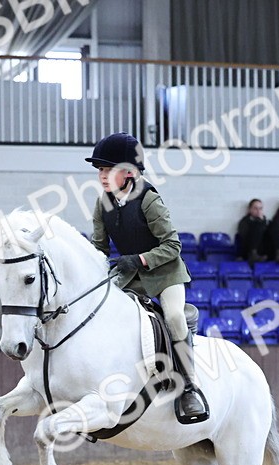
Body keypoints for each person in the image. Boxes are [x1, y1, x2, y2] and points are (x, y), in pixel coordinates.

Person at [86, 132, 208, 422]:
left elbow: (173, 245)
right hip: (131, 275)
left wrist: (138, 259)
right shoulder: (102, 202)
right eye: (100, 170)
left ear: (128, 173)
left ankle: (191, 385)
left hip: (164, 272)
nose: (102, 176)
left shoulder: (149, 198)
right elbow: (98, 248)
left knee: (175, 317)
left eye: (108, 170)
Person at [235, 198, 268, 266]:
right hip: (248, 249)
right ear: (250, 210)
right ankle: (253, 254)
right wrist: (259, 223)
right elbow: (244, 236)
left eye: (260, 208)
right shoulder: (244, 222)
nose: (258, 211)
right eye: (255, 208)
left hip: (263, 249)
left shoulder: (266, 222)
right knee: (257, 227)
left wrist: (262, 222)